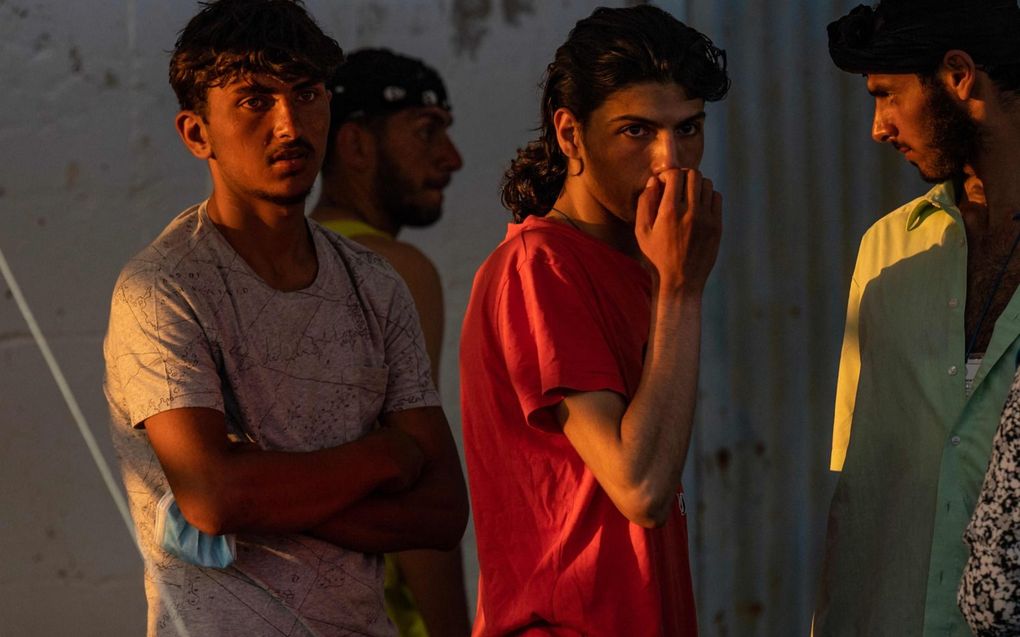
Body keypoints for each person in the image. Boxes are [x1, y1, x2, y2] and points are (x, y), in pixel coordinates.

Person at [102, 1, 468, 635]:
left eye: (306, 94)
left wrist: (261, 490)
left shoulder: (376, 283)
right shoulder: (162, 287)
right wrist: (385, 455)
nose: (289, 124)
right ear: (196, 134)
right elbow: (216, 497)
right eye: (254, 100)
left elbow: (440, 512)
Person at [459, 5, 729, 635]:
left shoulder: (641, 264)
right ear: (570, 134)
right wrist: (681, 292)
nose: (671, 160)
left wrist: (669, 283)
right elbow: (640, 486)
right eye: (637, 131)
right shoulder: (540, 265)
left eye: (688, 128)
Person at [817, 1, 1020, 634]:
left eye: (887, 95)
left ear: (959, 76)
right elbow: (856, 483)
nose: (878, 127)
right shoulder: (887, 250)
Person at [311, 48, 469, 637]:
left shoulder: (273, 265)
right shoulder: (396, 269)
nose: (451, 159)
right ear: (354, 146)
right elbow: (417, 483)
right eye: (426, 132)